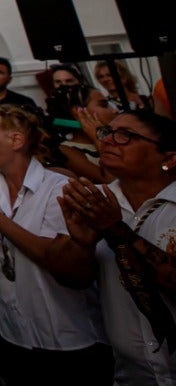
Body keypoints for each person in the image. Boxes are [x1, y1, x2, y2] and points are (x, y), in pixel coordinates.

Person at [0, 105, 108, 380]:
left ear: (16, 140)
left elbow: (54, 258)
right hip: (14, 333)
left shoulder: (58, 187)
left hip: (68, 337)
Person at [60, 110, 176, 385]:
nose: (108, 140)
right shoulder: (97, 201)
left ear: (169, 158)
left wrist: (114, 230)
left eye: (126, 135)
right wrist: (82, 244)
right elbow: (74, 281)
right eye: (106, 133)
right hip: (133, 375)